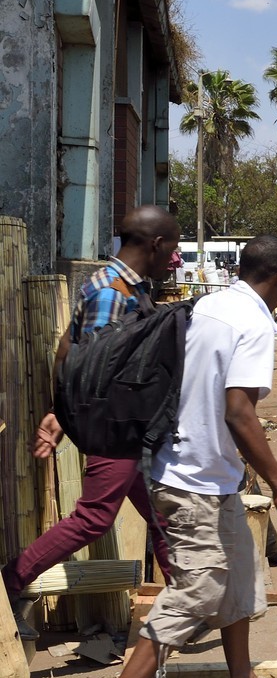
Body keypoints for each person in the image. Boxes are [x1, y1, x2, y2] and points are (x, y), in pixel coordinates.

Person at [74, 234, 277, 678]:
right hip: (191, 478)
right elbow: (239, 411)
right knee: (199, 590)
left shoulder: (208, 305)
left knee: (240, 573)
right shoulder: (253, 323)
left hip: (197, 468)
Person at [4, 206, 180, 639]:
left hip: (131, 428)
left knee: (162, 516)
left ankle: (186, 602)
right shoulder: (113, 292)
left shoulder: (117, 284)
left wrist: (59, 410)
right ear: (156, 244)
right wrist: (69, 416)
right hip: (114, 427)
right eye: (172, 248)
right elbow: (97, 367)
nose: (174, 258)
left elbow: (67, 347)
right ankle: (9, 584)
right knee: (94, 518)